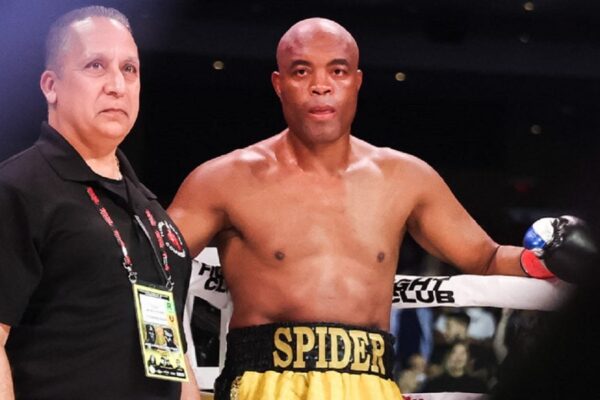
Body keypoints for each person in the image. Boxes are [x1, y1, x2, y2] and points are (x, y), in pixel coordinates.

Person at [167, 17, 595, 400]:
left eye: (337, 71)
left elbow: (483, 257)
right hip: (264, 384)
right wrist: (177, 373)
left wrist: (543, 261)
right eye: (301, 71)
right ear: (279, 84)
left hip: (372, 385)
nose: (321, 85)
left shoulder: (405, 178)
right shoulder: (224, 180)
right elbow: (148, 266)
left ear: (356, 81)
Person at [0, 6, 199, 400]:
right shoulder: (18, 189)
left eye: (129, 69)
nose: (117, 85)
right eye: (95, 66)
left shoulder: (151, 211)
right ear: (51, 86)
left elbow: (173, 354)